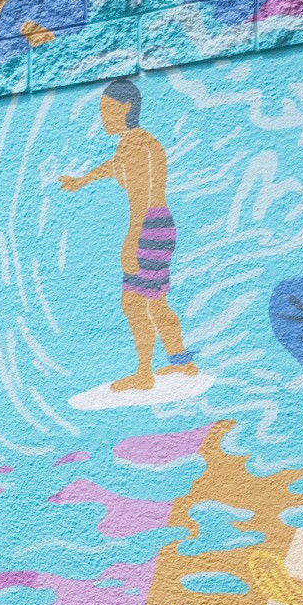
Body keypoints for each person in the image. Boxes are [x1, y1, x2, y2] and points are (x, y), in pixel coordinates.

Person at [55, 75, 199, 391]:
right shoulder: (135, 142)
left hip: (148, 225)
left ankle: (144, 374)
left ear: (126, 107)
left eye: (108, 110)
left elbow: (142, 198)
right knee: (156, 300)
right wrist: (83, 180)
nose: (103, 117)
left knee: (134, 302)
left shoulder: (137, 146)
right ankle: (182, 362)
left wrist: (131, 243)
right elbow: (114, 165)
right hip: (161, 224)